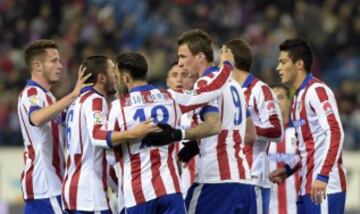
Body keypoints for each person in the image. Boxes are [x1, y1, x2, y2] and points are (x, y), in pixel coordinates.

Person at [62, 55, 159, 213]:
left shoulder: (76, 102)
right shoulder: (96, 100)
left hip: (72, 191)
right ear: (101, 77)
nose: (117, 75)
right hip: (89, 195)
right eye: (113, 70)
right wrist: (133, 133)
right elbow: (97, 135)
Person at [174, 29, 257, 214]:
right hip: (244, 180)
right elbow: (251, 135)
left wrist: (181, 135)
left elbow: (214, 125)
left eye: (183, 56)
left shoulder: (205, 84)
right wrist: (196, 146)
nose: (179, 63)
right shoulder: (236, 85)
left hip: (215, 180)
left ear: (200, 56)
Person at [269, 38, 346, 214]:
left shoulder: (317, 91)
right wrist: (288, 170)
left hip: (325, 186)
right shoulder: (297, 99)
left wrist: (324, 175)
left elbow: (336, 133)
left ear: (299, 64)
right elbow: (306, 147)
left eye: (283, 62)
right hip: (306, 186)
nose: (277, 68)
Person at [106, 52, 188, 214]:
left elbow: (110, 156)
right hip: (170, 187)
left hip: (138, 193)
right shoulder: (170, 97)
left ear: (126, 77)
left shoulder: (118, 107)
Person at [17, 39, 91, 214]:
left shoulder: (49, 97)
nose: (60, 66)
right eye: (54, 60)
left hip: (51, 184)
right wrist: (73, 94)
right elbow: (36, 118)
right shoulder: (32, 93)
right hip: (45, 184)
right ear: (38, 66)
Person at [223, 39, 283, 214]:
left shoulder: (260, 90)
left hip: (253, 179)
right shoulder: (224, 90)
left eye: (222, 55)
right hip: (226, 179)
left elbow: (277, 130)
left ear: (231, 58)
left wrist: (248, 130)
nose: (219, 63)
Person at [166, 61, 198, 198]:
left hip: (199, 180)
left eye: (185, 75)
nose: (179, 79)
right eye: (174, 75)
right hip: (167, 186)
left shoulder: (202, 109)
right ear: (167, 81)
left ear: (193, 80)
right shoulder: (159, 113)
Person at [268, 84, 300, 214]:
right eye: (272, 99)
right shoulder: (262, 135)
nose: (276, 102)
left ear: (290, 102)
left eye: (280, 97)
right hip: (268, 208)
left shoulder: (300, 132)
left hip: (297, 208)